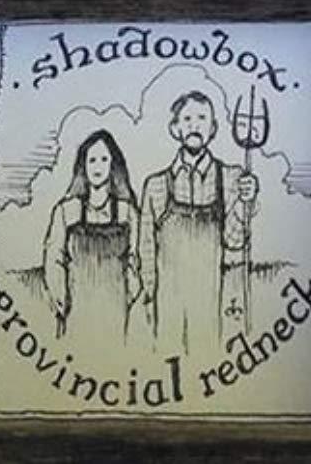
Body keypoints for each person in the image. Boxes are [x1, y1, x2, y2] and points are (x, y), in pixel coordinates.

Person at [139, 90, 258, 356]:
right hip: (167, 301)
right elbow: (146, 247)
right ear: (174, 128)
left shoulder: (231, 178)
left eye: (202, 118)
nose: (195, 125)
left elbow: (235, 241)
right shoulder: (156, 185)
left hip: (212, 300)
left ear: (213, 128)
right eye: (187, 119)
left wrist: (245, 201)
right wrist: (148, 292)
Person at [43, 129, 141, 347]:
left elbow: (136, 257)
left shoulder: (127, 212)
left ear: (113, 165)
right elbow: (53, 259)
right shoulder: (66, 211)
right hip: (76, 310)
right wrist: (63, 303)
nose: (98, 166)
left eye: (104, 160)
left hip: (117, 312)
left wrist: (128, 296)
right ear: (83, 166)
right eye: (92, 160)